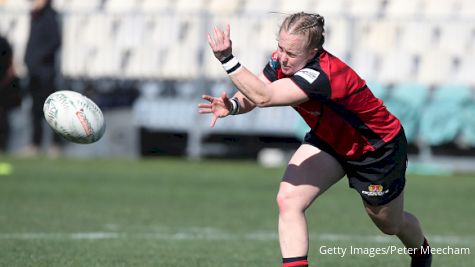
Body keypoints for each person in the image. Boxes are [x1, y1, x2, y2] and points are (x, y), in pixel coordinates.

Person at [199, 12, 432, 267]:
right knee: (289, 199)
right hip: (329, 140)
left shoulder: (321, 75)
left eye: (292, 53)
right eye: (280, 48)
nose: (283, 57)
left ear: (312, 52)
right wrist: (232, 105)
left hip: (376, 149)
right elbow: (253, 94)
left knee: (389, 223)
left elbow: (264, 96)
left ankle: (422, 253)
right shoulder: (281, 61)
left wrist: (227, 59)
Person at [21, 0, 62, 157]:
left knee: (51, 111)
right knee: (35, 110)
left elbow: (55, 41)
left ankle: (55, 144)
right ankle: (35, 144)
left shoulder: (50, 16)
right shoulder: (35, 16)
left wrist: (38, 59)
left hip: (45, 72)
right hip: (34, 71)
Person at [0, 35, 21, 153]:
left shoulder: (3, 43)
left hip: (3, 88)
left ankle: (3, 147)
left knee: (3, 119)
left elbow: (11, 68)